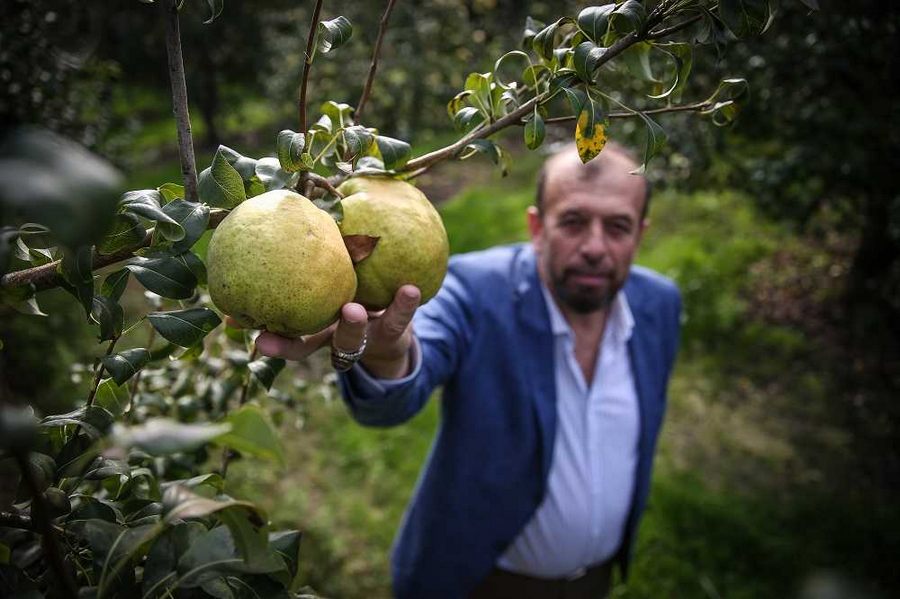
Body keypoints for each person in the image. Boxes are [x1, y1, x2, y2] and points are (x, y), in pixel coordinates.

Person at [255, 142, 682, 599]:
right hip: (475, 581)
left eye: (617, 227)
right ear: (537, 227)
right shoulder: (476, 292)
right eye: (573, 222)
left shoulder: (659, 305)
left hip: (595, 581)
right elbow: (411, 370)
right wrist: (386, 353)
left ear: (640, 233)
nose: (595, 247)